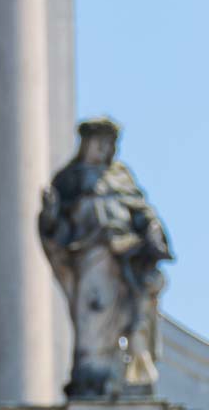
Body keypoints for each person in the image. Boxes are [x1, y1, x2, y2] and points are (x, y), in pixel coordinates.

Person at [39, 117, 172, 399]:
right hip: (89, 255)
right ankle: (92, 375)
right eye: (98, 142)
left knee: (130, 315)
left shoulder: (121, 176)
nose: (103, 149)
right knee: (94, 314)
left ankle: (124, 374)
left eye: (109, 144)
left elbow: (141, 212)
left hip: (125, 255)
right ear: (86, 144)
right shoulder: (69, 180)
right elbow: (54, 226)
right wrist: (50, 215)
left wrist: (151, 230)